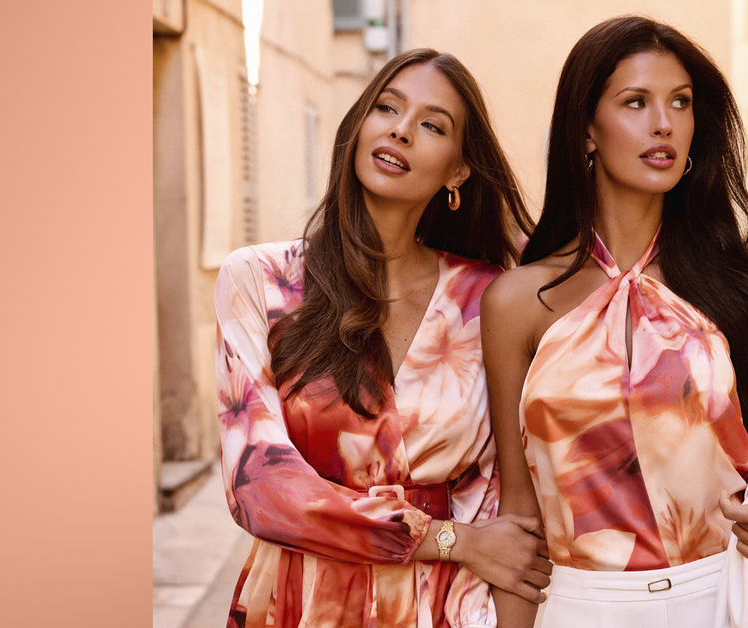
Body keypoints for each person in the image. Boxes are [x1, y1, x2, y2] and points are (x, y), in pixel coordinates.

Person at [480, 16, 748, 626]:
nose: (663, 122)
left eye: (681, 103)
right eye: (635, 102)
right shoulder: (516, 302)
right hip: (578, 607)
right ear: (585, 130)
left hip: (723, 601)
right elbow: (519, 521)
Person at [215, 48, 551, 628]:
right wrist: (455, 541)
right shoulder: (259, 281)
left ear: (458, 171)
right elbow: (261, 487)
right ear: (357, 129)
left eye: (431, 124)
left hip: (445, 609)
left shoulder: (490, 298)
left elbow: (506, 491)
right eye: (387, 108)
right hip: (300, 604)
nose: (400, 128)